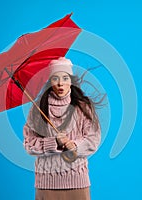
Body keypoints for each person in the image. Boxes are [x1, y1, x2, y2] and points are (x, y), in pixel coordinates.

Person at [23, 57, 101, 200]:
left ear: (71, 80)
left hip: (77, 182)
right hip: (46, 184)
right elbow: (29, 145)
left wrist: (75, 146)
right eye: (55, 78)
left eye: (65, 78)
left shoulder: (83, 107)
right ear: (49, 82)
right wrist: (54, 143)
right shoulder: (37, 109)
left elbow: (93, 140)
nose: (60, 83)